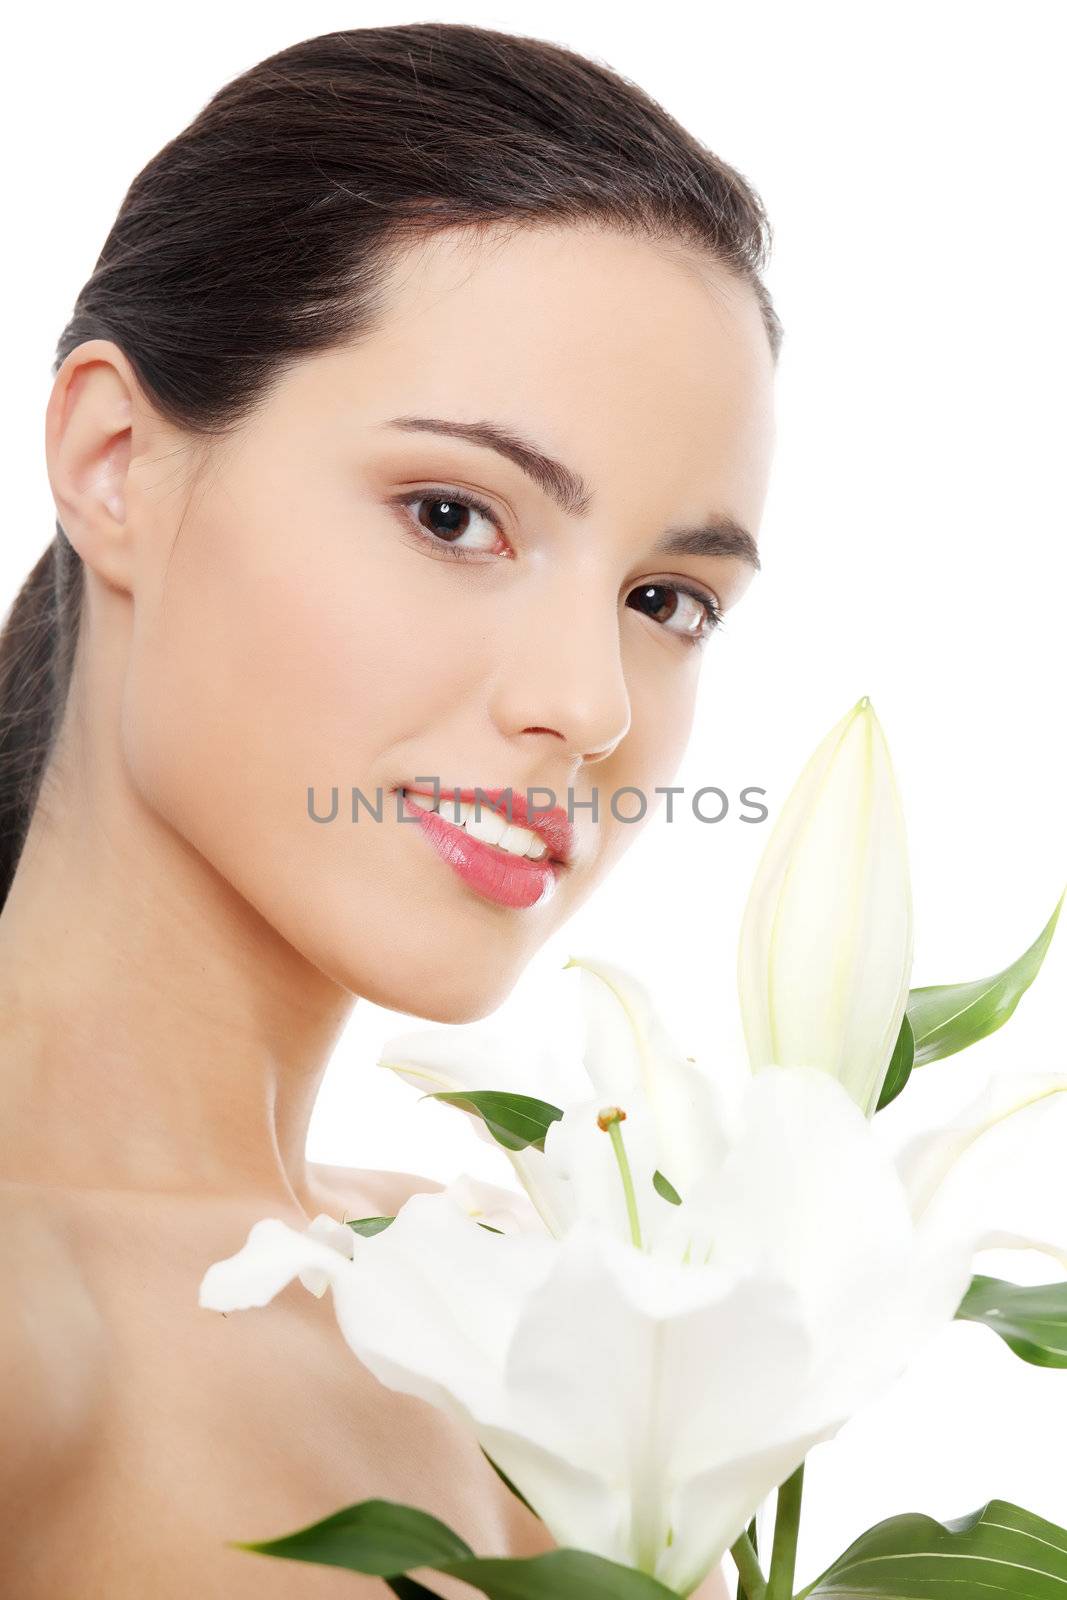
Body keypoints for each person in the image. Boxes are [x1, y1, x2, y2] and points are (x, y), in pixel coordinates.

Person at [0, 21, 778, 1599]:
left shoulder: (527, 1290)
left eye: (667, 598)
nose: (592, 703)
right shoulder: (25, 1318)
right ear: (116, 461)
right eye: (454, 514)